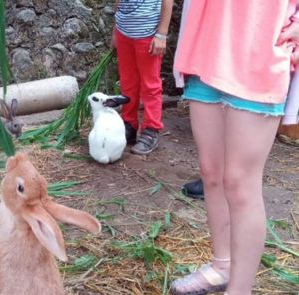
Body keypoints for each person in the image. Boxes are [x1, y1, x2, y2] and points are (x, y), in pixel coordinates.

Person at [170, 1, 299, 295]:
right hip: (205, 46)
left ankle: (240, 290)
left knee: (240, 183)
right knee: (211, 173)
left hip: (260, 50)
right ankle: (222, 266)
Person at [111, 0, 173, 154]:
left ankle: (151, 129)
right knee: (127, 83)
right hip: (124, 32)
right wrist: (115, 31)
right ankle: (129, 124)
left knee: (150, 85)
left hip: (148, 35)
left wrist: (161, 34)